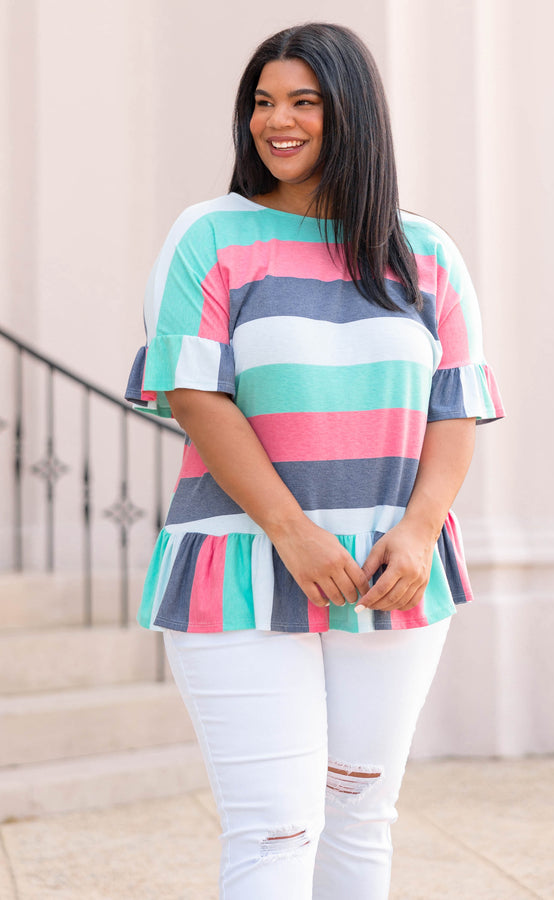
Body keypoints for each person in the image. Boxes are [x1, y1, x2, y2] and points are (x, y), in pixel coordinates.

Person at [125, 21, 504, 900]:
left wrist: (420, 531)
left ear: (353, 113)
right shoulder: (210, 235)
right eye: (263, 102)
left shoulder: (426, 253)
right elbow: (196, 394)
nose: (276, 121)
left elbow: (453, 407)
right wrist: (292, 532)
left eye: (304, 102)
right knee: (275, 827)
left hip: (390, 572)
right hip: (242, 563)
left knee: (362, 814)